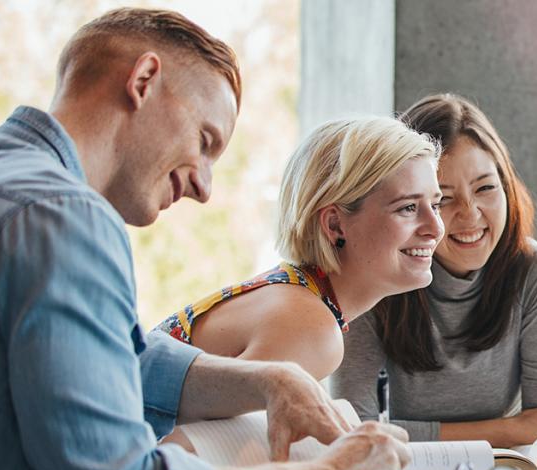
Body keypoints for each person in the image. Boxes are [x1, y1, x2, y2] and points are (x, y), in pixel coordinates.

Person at [0, 8, 410, 470]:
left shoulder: (1, 182)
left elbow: (122, 362)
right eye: (205, 142)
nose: (205, 187)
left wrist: (270, 381)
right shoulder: (64, 218)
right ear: (143, 81)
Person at [330, 93, 537, 448]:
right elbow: (356, 432)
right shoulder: (373, 275)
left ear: (508, 187)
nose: (470, 214)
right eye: (443, 199)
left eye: (485, 188)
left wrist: (523, 432)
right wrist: (509, 430)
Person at [157, 115, 445, 384]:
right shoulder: (311, 329)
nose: (436, 228)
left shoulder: (299, 295)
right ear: (335, 225)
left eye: (435, 205)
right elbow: (188, 437)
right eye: (408, 208)